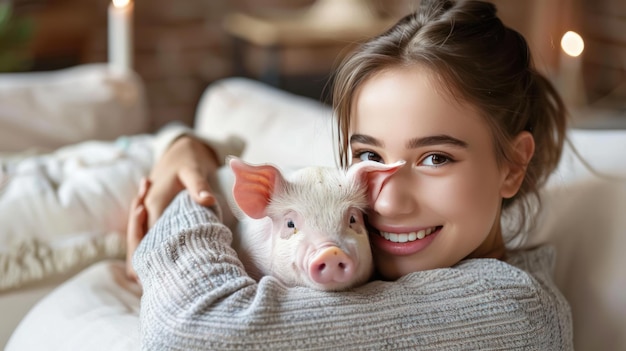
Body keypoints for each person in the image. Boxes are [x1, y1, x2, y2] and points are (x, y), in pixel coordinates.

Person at [127, 0, 573, 349]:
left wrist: (176, 213)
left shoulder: (511, 312)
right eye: (370, 156)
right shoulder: (365, 246)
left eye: (436, 158)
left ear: (513, 165)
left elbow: (194, 332)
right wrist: (191, 149)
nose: (386, 202)